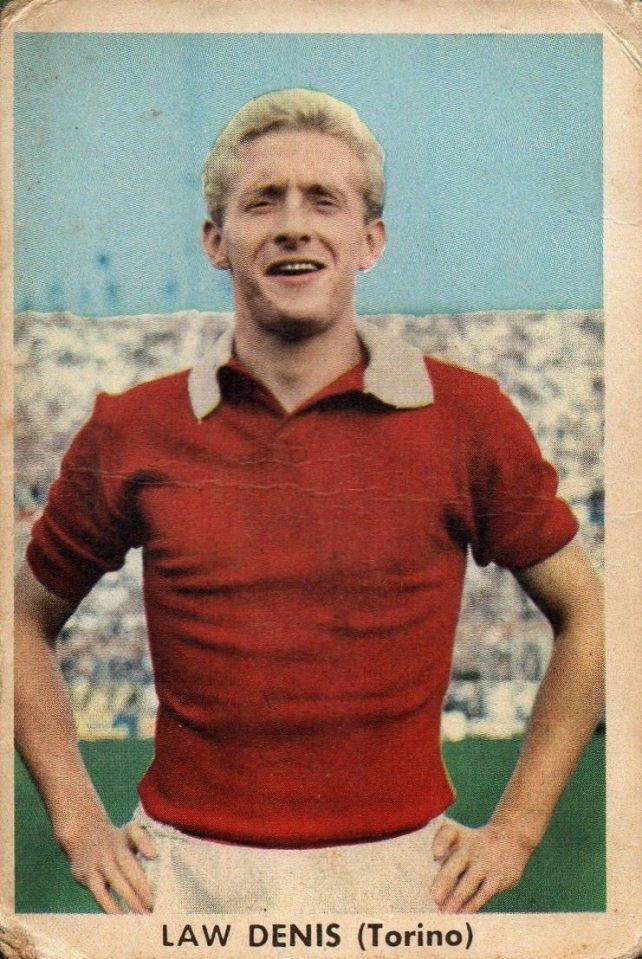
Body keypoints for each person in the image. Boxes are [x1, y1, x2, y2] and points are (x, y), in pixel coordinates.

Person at [14, 88, 604, 916]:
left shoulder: (470, 415)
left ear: (370, 241)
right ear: (217, 240)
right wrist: (78, 824)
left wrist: (515, 831)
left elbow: (592, 611)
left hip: (404, 875)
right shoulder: (131, 428)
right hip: (183, 880)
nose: (295, 224)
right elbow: (20, 620)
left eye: (324, 199)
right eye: (263, 201)